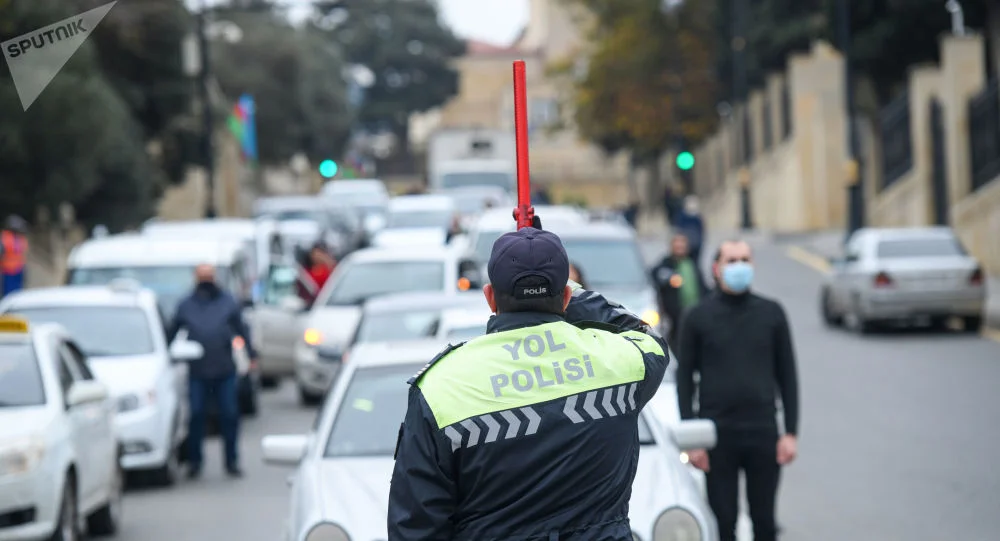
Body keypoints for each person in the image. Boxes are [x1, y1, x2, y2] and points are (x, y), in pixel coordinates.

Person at [388, 223, 670, 540]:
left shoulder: (441, 385)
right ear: (565, 296)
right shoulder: (622, 361)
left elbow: (416, 526)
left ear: (490, 297)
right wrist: (576, 293)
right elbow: (649, 338)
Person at [676, 240, 800, 541]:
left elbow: (788, 375)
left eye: (744, 259)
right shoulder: (697, 317)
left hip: (763, 432)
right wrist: (693, 440)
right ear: (716, 269)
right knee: (724, 521)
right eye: (731, 261)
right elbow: (684, 379)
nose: (739, 266)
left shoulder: (772, 313)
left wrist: (790, 433)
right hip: (717, 435)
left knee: (765, 522)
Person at [167, 264, 257, 479]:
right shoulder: (186, 305)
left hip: (224, 369)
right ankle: (194, 462)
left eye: (209, 276)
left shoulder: (227, 301)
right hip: (197, 371)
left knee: (229, 415)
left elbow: (241, 329)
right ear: (196, 278)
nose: (206, 280)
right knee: (196, 415)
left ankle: (231, 461)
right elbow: (172, 332)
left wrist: (252, 355)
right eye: (202, 276)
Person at [650, 233, 710, 345]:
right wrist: (668, 279)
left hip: (694, 312)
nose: (680, 249)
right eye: (677, 246)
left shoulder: (691, 264)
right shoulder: (666, 264)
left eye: (682, 246)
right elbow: (655, 277)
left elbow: (702, 286)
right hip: (674, 316)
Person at [1, 216, 29, 299]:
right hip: (8, 271)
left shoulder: (20, 238)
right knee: (9, 295)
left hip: (19, 270)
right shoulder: (5, 237)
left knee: (18, 294)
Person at [674, 195, 705, 263]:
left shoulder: (697, 217)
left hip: (696, 245)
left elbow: (701, 231)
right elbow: (679, 230)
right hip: (686, 245)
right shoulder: (682, 216)